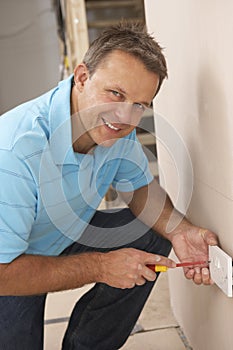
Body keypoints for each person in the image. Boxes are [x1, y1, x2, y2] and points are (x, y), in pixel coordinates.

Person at [0, 22, 218, 350]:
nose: (124, 116)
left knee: (151, 234)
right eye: (115, 93)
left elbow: (139, 189)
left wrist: (181, 231)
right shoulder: (16, 152)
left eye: (139, 104)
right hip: (9, 264)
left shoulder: (116, 128)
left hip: (54, 234)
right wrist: (102, 266)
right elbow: (4, 272)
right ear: (83, 77)